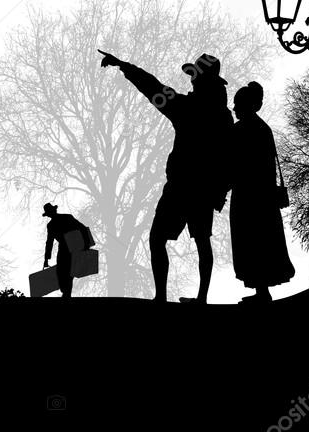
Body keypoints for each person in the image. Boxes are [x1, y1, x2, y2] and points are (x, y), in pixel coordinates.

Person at [99, 50, 233, 303]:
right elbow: (229, 161)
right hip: (204, 190)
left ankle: (161, 295)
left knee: (158, 238)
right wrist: (220, 192)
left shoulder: (186, 107)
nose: (191, 80)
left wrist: (124, 66)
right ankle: (201, 297)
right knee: (202, 240)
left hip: (181, 186)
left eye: (194, 76)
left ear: (200, 80)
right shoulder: (223, 116)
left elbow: (151, 87)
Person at [229, 82, 295, 303]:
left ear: (247, 105)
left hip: (249, 196)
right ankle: (261, 290)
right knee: (260, 242)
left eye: (237, 103)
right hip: (262, 196)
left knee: (251, 241)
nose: (234, 107)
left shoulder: (242, 130)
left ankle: (262, 292)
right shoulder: (262, 128)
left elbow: (233, 163)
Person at [42, 203, 94, 298]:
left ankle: (66, 294)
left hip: (74, 248)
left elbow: (82, 228)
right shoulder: (52, 225)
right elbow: (49, 242)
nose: (50, 214)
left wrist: (86, 244)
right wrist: (46, 258)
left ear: (52, 212)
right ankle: (66, 293)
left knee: (68, 272)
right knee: (62, 272)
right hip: (65, 249)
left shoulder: (66, 218)